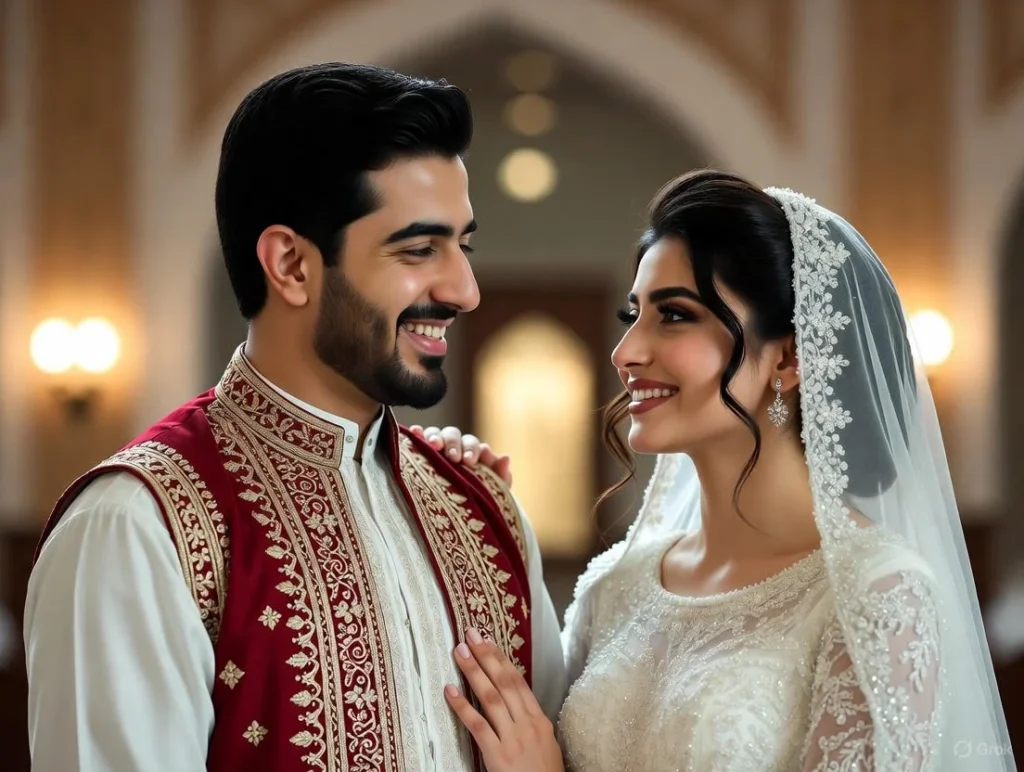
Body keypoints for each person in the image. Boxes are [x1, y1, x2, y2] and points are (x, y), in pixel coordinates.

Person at [23, 63, 566, 772]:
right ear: (291, 264)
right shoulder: (138, 525)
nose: (464, 290)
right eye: (418, 249)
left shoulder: (482, 511)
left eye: (463, 245)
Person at [416, 170, 1015, 770]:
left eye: (674, 316)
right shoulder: (618, 585)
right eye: (634, 316)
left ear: (786, 356)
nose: (626, 353)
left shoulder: (877, 596)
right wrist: (475, 506)